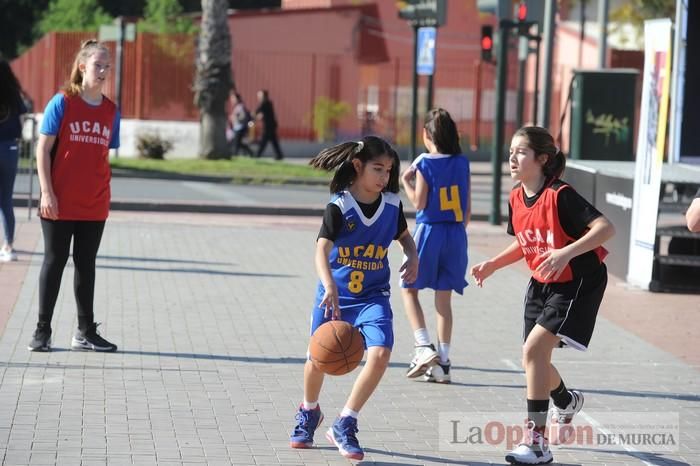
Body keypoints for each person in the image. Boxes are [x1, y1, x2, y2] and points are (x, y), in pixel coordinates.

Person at [470, 126, 615, 465]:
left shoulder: (560, 195)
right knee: (533, 358)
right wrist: (493, 264)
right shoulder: (516, 196)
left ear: (542, 159)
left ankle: (537, 443)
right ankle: (565, 402)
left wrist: (566, 252)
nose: (512, 157)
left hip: (577, 278)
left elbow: (605, 228)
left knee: (533, 350)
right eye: (510, 151)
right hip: (542, 281)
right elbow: (525, 241)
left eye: (520, 151)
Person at [289, 136, 418, 460]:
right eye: (377, 169)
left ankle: (346, 421)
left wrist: (412, 255)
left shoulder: (391, 206)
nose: (384, 177)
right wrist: (329, 283)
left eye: (388, 170)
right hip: (335, 296)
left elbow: (404, 237)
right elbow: (321, 248)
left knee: (380, 354)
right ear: (358, 166)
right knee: (317, 359)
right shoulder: (340, 206)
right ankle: (309, 411)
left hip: (373, 296)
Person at [28, 39, 120, 353]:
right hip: (59, 200)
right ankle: (42, 330)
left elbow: (101, 155)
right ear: (83, 67)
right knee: (54, 262)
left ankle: (85, 331)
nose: (105, 70)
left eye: (108, 65)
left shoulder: (110, 110)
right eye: (98, 65)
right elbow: (42, 149)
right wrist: (46, 192)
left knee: (86, 264)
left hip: (94, 203)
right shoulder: (63, 102)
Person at [400, 108, 470, 384]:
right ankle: (443, 362)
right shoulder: (462, 162)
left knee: (408, 288)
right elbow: (466, 211)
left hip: (430, 230)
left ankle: (423, 346)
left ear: (426, 134)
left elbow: (419, 203)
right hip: (455, 234)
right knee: (444, 299)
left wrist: (406, 182)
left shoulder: (425, 163)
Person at [0, 57, 28, 262]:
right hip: (9, 147)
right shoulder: (13, 95)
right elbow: (22, 121)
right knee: (6, 199)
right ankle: (8, 245)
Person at [254, 89, 284, 160]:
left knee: (264, 141)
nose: (258, 97)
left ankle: (257, 154)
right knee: (273, 141)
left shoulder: (265, 103)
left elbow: (257, 111)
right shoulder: (268, 103)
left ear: (264, 96)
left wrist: (253, 115)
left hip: (269, 126)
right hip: (271, 125)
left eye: (259, 95)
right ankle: (279, 155)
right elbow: (263, 114)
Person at [228, 92, 253, 157]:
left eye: (233, 98)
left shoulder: (240, 106)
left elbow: (243, 116)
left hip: (240, 127)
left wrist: (236, 118)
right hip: (237, 127)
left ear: (237, 99)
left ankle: (234, 155)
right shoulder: (238, 107)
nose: (232, 100)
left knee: (236, 143)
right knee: (237, 143)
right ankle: (250, 152)